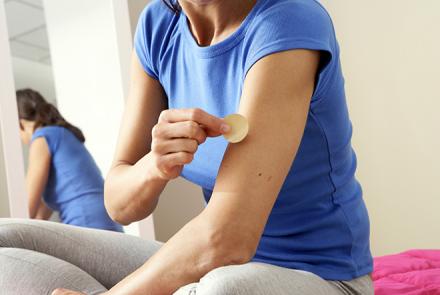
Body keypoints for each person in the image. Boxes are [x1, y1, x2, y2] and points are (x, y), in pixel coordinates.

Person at [0, 0, 373, 294]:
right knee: (7, 236)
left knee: (220, 290)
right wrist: (154, 166)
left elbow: (229, 238)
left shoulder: (288, 19)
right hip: (220, 264)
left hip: (319, 276)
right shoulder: (157, 26)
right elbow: (119, 204)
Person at [15, 88, 122, 232]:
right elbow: (39, 216)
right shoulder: (62, 134)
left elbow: (26, 208)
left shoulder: (42, 138)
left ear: (21, 125)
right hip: (105, 216)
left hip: (85, 219)